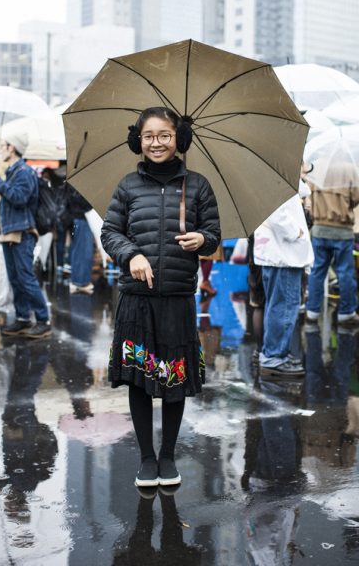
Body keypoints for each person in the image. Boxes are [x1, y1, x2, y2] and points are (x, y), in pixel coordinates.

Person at [101, 106, 220, 487]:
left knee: (174, 379)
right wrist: (131, 254)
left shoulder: (198, 186)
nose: (156, 142)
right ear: (138, 140)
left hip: (177, 298)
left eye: (165, 135)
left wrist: (203, 239)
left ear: (178, 140)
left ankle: (168, 457)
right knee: (139, 380)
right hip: (137, 299)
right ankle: (146, 459)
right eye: (149, 135)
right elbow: (109, 232)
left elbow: (214, 233)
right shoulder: (126, 186)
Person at [0, 133, 51, 339]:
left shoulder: (24, 172)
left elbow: (19, 198)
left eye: (4, 146)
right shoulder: (14, 172)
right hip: (10, 232)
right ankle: (23, 318)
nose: (2, 150)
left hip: (22, 232)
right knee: (15, 278)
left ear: (12, 148)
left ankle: (43, 320)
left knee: (25, 278)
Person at [254, 180, 314, 377]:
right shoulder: (276, 179)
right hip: (284, 254)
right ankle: (274, 357)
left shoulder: (278, 175)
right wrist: (295, 232)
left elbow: (301, 191)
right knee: (284, 307)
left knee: (278, 306)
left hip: (278, 254)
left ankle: (274, 354)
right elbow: (277, 212)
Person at [305, 160, 359, 327]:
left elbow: (308, 194)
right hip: (342, 230)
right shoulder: (350, 169)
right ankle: (346, 313)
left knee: (317, 271)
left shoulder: (317, 168)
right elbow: (356, 198)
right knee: (345, 272)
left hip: (319, 229)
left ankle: (312, 312)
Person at [66, 184, 94, 294]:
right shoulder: (77, 185)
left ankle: (79, 280)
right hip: (81, 217)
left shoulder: (73, 181)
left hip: (77, 217)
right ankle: (80, 282)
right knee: (83, 250)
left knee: (80, 250)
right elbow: (80, 200)